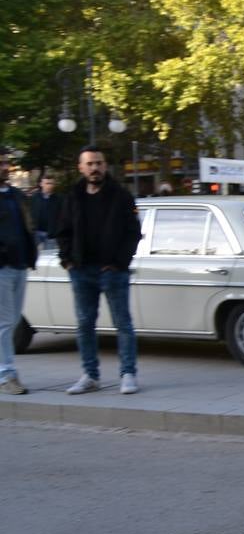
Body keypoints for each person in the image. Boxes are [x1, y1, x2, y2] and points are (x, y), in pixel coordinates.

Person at [52, 146, 143, 395]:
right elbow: (62, 231)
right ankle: (90, 375)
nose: (95, 168)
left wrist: (119, 263)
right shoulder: (72, 197)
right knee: (84, 324)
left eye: (99, 163)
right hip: (81, 270)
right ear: (81, 168)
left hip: (113, 271)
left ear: (106, 166)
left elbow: (133, 233)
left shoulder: (121, 196)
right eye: (90, 164)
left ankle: (128, 374)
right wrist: (68, 261)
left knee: (122, 323)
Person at [0, 153, 38, 395]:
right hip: (1, 267)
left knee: (12, 322)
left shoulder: (15, 195)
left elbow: (27, 226)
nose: (5, 167)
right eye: (0, 163)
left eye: (5, 162)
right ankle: (6, 375)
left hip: (20, 264)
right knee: (4, 323)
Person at [29, 174, 58, 249]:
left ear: (54, 184)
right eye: (47, 183)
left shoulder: (59, 199)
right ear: (41, 184)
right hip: (37, 234)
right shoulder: (34, 198)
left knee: (49, 257)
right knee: (38, 258)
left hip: (51, 235)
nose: (49, 186)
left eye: (51, 183)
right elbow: (30, 214)